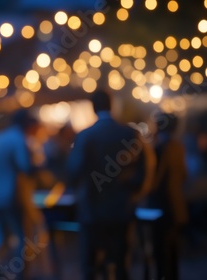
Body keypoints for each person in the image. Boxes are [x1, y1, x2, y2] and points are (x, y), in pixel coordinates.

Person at [65, 89, 155, 280]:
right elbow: (146, 166)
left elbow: (74, 169)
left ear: (93, 107)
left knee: (90, 265)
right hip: (122, 208)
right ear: (112, 105)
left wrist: (78, 190)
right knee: (122, 262)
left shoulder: (86, 136)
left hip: (92, 208)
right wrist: (136, 192)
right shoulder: (129, 133)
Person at [0, 109, 37, 280]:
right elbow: (25, 166)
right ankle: (20, 275)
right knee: (21, 237)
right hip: (11, 195)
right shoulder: (19, 139)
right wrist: (39, 165)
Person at [145, 112, 188, 280]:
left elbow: (153, 181)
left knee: (161, 254)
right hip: (177, 207)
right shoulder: (178, 146)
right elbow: (184, 175)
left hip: (161, 209)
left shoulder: (160, 149)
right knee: (173, 253)